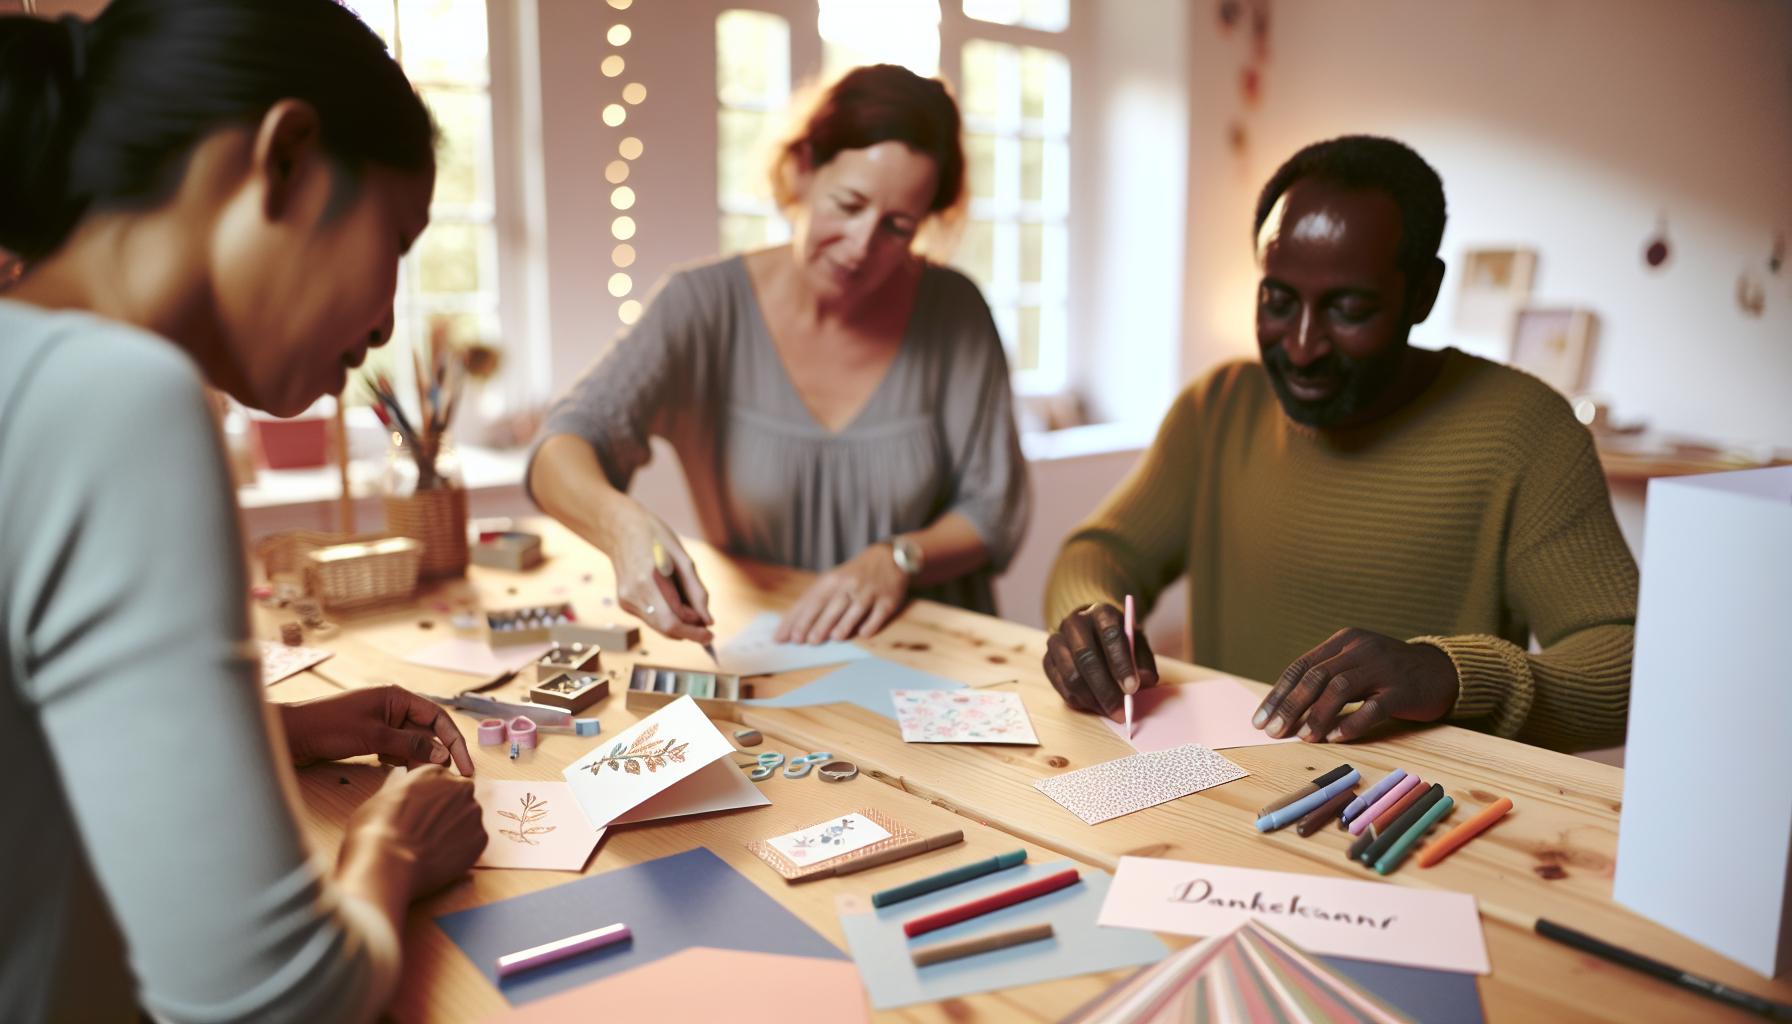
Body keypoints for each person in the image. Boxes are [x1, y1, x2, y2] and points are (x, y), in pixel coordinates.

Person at [0, 2, 487, 1020]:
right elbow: (272, 1003)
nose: (391, 317)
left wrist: (286, 726)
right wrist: (392, 848)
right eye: (395, 238)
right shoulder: (109, 393)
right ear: (288, 157)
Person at [1040, 135, 1637, 752]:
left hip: (1411, 815)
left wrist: (1452, 675)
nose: (1302, 346)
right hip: (1219, 795)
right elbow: (1099, 552)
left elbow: (1628, 660)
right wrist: (1089, 620)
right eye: (1278, 300)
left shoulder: (1525, 431)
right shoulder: (1220, 407)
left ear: (1423, 293)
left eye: (1348, 309)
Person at [529, 64, 1030, 649]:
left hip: (937, 658)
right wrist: (623, 529)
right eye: (849, 205)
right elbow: (561, 445)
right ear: (803, 170)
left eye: (897, 227)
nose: (861, 246)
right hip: (771, 651)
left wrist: (898, 558)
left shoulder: (956, 312)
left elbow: (993, 511)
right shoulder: (702, 306)